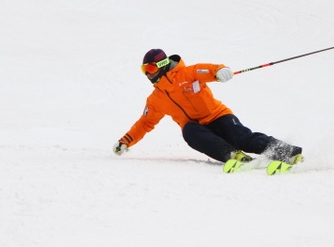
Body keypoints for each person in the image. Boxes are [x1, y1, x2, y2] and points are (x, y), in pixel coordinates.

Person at [112, 49, 302, 165]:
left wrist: (220, 71)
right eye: (144, 70)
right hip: (198, 129)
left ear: (161, 65)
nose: (147, 74)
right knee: (189, 131)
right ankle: (234, 157)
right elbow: (145, 123)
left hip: (218, 117)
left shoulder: (188, 73)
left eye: (150, 69)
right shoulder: (156, 99)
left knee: (243, 138)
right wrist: (125, 141)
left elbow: (208, 70)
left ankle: (289, 153)